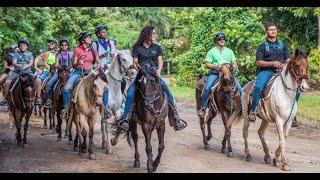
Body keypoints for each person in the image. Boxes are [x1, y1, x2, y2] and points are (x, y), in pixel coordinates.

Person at [116, 25, 187, 131]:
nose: (155, 35)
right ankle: (126, 119)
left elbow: (160, 61)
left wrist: (159, 70)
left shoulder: (157, 47)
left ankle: (176, 118)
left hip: (154, 74)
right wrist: (139, 69)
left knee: (168, 91)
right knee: (131, 93)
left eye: (155, 33)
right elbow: (135, 63)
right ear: (147, 34)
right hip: (142, 74)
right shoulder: (137, 48)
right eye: (153, 33)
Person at [248, 22, 301, 123]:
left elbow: (288, 59)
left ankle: (293, 114)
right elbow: (258, 62)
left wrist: (285, 63)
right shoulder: (262, 46)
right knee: (259, 87)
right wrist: (272, 63)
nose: (273, 31)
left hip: (282, 71)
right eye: (271, 29)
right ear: (266, 32)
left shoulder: (283, 45)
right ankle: (253, 110)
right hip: (266, 71)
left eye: (275, 29)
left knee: (297, 91)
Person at [197, 31, 242, 118]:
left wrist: (234, 66)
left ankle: (242, 108)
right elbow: (207, 64)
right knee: (207, 88)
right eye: (220, 39)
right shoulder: (211, 51)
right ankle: (203, 108)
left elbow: (234, 62)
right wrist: (216, 66)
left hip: (228, 73)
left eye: (223, 39)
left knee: (239, 88)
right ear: (216, 40)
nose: (222, 40)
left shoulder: (229, 51)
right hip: (216, 73)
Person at [60, 31, 99, 120]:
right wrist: (79, 62)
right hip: (78, 72)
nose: (90, 38)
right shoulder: (77, 50)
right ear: (82, 40)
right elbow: (73, 64)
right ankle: (66, 109)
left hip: (90, 72)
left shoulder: (93, 50)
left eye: (90, 37)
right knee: (66, 89)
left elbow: (97, 61)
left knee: (103, 86)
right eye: (87, 37)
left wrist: (97, 66)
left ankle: (104, 109)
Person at [2, 38, 42, 105]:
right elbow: (14, 63)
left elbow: (31, 63)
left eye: (24, 45)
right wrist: (20, 66)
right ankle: (6, 98)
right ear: (19, 47)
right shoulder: (16, 54)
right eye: (20, 45)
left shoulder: (30, 54)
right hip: (16, 72)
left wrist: (24, 67)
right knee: (7, 82)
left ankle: (38, 97)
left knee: (38, 81)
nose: (22, 46)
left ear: (27, 46)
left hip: (28, 72)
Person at [92, 24, 117, 120]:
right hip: (99, 67)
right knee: (104, 86)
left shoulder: (110, 42)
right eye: (102, 32)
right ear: (98, 33)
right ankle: (104, 107)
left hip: (110, 67)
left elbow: (113, 56)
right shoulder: (95, 43)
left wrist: (110, 65)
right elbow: (96, 56)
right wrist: (101, 62)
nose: (105, 33)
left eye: (105, 31)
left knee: (122, 81)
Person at [44, 39, 73, 108]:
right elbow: (56, 64)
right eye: (62, 45)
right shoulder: (58, 54)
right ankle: (48, 99)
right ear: (60, 46)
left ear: (68, 46)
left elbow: (73, 63)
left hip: (69, 71)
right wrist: (60, 67)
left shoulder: (71, 53)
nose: (64, 46)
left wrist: (68, 67)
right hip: (59, 71)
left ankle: (74, 99)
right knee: (49, 84)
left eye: (65, 45)